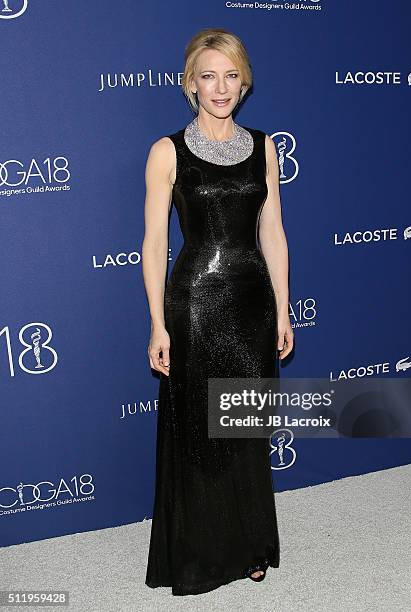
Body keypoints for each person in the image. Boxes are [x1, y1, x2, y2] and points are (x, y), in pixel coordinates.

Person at [142, 27, 294, 596]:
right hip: (194, 304)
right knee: (198, 432)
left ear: (244, 82)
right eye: (209, 75)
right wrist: (158, 322)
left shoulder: (264, 146)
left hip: (252, 303)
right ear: (191, 84)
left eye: (231, 75)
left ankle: (249, 543)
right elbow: (155, 244)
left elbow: (273, 231)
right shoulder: (167, 152)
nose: (221, 86)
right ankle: (202, 552)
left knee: (245, 426)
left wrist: (282, 310)